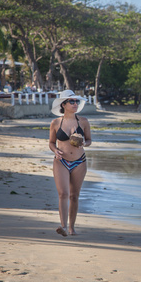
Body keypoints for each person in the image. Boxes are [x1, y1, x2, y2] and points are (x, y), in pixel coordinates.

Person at [49, 90, 91, 236]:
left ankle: (72, 227)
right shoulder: (55, 123)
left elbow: (89, 140)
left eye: (76, 101)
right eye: (71, 101)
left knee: (74, 195)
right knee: (63, 194)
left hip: (79, 162)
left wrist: (84, 143)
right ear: (64, 104)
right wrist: (55, 150)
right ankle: (63, 227)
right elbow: (51, 142)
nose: (75, 104)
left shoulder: (83, 121)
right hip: (61, 161)